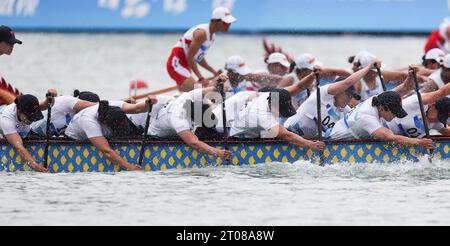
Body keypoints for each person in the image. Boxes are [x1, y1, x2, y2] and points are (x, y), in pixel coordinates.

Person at [284, 59, 379, 139]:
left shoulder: (345, 110)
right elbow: (348, 82)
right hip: (287, 135)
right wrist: (369, 66)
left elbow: (358, 121)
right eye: (348, 94)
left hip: (307, 141)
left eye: (351, 96)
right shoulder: (323, 94)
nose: (349, 99)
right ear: (338, 91)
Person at [149, 75, 231, 159]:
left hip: (174, 132)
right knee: (199, 136)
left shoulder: (189, 97)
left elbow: (210, 90)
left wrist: (219, 83)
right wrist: (218, 153)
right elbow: (194, 144)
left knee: (210, 126)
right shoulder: (179, 119)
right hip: (155, 138)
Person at [65, 98, 156, 171]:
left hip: (105, 127)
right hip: (75, 139)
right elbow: (107, 152)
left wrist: (147, 103)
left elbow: (137, 108)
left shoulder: (112, 104)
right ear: (105, 124)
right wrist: (130, 167)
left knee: (135, 132)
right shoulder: (88, 122)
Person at [329, 91, 434, 149]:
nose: (395, 116)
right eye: (394, 112)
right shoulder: (366, 117)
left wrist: (409, 79)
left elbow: (397, 91)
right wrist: (418, 142)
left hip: (345, 129)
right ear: (382, 108)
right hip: (336, 141)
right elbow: (390, 137)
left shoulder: (377, 99)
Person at [229, 88, 325, 151]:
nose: (280, 116)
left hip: (255, 131)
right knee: (286, 135)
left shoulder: (270, 95)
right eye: (280, 111)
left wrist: (311, 75)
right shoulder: (260, 114)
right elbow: (286, 135)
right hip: (239, 140)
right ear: (271, 104)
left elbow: (298, 86)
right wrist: (311, 145)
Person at [167, 7, 237, 92]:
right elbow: (190, 57)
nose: (228, 26)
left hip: (186, 65)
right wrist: (201, 78)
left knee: (193, 96)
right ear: (215, 21)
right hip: (177, 63)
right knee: (199, 93)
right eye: (226, 23)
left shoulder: (212, 37)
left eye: (229, 23)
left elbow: (198, 58)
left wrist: (214, 72)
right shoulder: (201, 33)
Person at [0, 94, 52, 172]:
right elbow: (19, 147)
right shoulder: (7, 119)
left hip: (20, 132)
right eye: (29, 117)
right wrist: (36, 166)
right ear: (19, 111)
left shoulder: (25, 108)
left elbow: (45, 105)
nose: (32, 120)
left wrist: (50, 98)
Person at [278, 53, 350, 108]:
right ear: (304, 70)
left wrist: (354, 77)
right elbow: (274, 95)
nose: (316, 69)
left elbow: (337, 72)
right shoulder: (290, 79)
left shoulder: (317, 72)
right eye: (312, 68)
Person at [30, 92, 98, 137]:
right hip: (30, 133)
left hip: (46, 139)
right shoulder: (67, 100)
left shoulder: (83, 119)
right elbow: (94, 106)